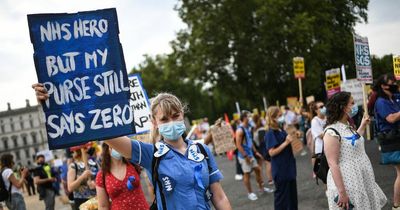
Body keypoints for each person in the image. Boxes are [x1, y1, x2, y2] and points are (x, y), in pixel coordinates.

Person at [32, 85, 231, 210]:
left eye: (175, 116)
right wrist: (58, 102)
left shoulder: (201, 151)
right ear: (155, 123)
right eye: (164, 118)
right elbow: (101, 131)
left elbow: (219, 197)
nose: (171, 122)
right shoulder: (151, 154)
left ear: (183, 115)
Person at [323, 91, 387, 209]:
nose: (355, 106)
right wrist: (342, 193)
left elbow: (353, 142)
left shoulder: (347, 125)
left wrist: (362, 125)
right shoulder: (331, 132)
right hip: (348, 182)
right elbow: (333, 163)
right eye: (352, 103)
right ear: (343, 107)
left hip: (361, 178)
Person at [373, 74, 400, 209]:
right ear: (383, 86)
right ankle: (396, 204)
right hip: (392, 140)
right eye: (392, 82)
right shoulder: (381, 102)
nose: (394, 84)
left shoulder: (394, 98)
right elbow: (390, 118)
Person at [96, 143, 149, 210]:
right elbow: (103, 206)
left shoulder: (133, 164)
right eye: (115, 145)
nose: (118, 147)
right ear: (107, 149)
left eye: (120, 144)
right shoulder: (102, 175)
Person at [236, 111, 273, 201]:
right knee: (247, 174)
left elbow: (250, 141)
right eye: (248, 117)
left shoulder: (247, 128)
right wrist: (245, 156)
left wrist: (255, 152)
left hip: (250, 154)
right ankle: (250, 193)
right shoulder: (240, 130)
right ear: (244, 118)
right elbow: (238, 145)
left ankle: (261, 188)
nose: (250, 118)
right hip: (244, 156)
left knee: (258, 170)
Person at [266, 106, 298, 210]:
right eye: (279, 115)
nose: (282, 117)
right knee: (282, 199)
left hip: (289, 167)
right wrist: (286, 142)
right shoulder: (270, 133)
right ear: (273, 117)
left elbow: (288, 140)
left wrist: (295, 135)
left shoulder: (280, 129)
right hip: (281, 170)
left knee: (292, 197)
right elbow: (271, 152)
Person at [252, 114, 273, 186]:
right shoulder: (261, 129)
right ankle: (270, 179)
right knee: (267, 163)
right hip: (263, 148)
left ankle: (261, 181)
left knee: (260, 165)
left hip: (257, 148)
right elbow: (263, 141)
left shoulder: (254, 129)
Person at [310, 101, 326, 178]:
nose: (324, 108)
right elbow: (320, 135)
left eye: (323, 106)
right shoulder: (314, 121)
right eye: (321, 107)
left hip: (329, 146)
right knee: (325, 173)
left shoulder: (328, 117)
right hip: (321, 148)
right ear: (316, 110)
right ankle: (315, 171)